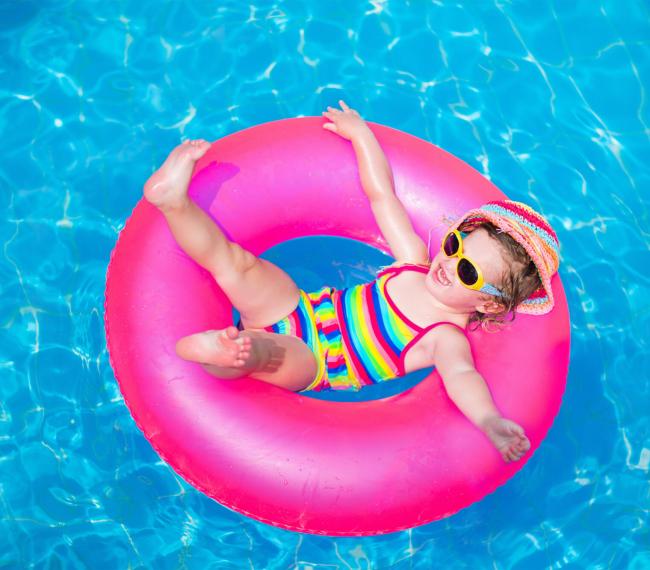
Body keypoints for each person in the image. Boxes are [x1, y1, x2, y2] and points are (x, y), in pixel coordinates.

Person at [143, 101, 560, 463]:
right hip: (300, 308)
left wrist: (489, 421)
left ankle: (222, 353)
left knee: (263, 354)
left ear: (489, 305)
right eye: (454, 245)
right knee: (238, 264)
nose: (449, 263)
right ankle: (173, 202)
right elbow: (383, 198)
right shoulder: (413, 261)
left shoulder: (445, 336)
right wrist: (362, 137)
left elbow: (462, 378)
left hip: (316, 359)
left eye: (468, 272)